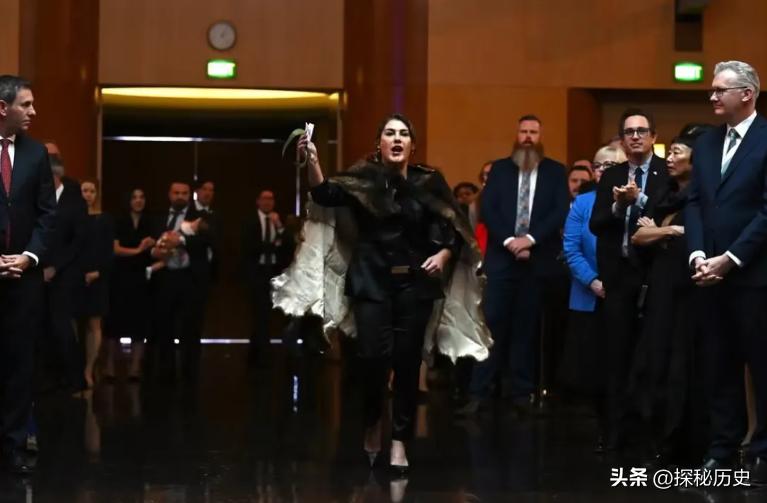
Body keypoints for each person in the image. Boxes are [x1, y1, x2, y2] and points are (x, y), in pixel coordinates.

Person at [276, 113, 490, 474]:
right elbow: (324, 193)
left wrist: (443, 254)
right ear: (380, 143)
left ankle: (400, 441)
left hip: (415, 285)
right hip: (370, 283)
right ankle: (373, 422)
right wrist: (312, 160)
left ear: (412, 145)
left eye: (403, 134)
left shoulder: (428, 180)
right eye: (390, 133)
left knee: (407, 364)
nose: (397, 138)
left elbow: (453, 227)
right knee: (373, 360)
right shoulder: (363, 179)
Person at [686, 60, 767, 483]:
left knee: (762, 366)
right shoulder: (706, 143)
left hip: (755, 276)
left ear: (747, 94)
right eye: (712, 90)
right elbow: (695, 202)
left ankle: (763, 454)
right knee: (719, 366)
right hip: (709, 274)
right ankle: (722, 449)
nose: (713, 96)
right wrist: (699, 254)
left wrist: (731, 258)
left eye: (720, 90)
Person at [458, 126, 569, 416]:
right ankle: (479, 392)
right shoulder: (500, 170)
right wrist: (510, 241)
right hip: (501, 260)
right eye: (523, 132)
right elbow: (489, 209)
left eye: (534, 132)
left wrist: (530, 239)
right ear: (516, 136)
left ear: (540, 136)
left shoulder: (555, 171)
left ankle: (522, 393)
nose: (528, 137)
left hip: (537, 260)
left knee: (526, 328)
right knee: (491, 326)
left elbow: (559, 211)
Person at [589, 108, 668, 451]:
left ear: (653, 137)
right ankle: (614, 431)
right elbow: (596, 223)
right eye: (629, 132)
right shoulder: (612, 175)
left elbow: (667, 213)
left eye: (642, 131)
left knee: (652, 356)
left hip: (654, 276)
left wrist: (640, 200)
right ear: (621, 140)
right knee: (615, 356)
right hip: (619, 276)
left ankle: (651, 434)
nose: (635, 136)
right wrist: (619, 206)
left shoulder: (667, 172)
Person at [629, 131, 710, 466]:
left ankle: (682, 441)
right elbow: (638, 236)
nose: (670, 159)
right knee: (653, 363)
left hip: (689, 293)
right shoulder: (665, 195)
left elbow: (696, 238)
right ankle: (656, 438)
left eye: (677, 152)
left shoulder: (703, 198)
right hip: (660, 291)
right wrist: (671, 231)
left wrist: (659, 233)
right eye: (671, 152)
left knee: (682, 366)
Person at [0, 75, 56, 474]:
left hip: (24, 279)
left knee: (20, 364)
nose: (33, 111)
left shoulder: (37, 154)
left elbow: (47, 214)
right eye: (26, 104)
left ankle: (15, 444)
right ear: (3, 108)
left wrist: (29, 257)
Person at [560, 145, 625, 452]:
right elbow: (571, 249)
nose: (605, 170)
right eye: (600, 165)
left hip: (626, 293)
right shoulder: (582, 203)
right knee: (595, 369)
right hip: (591, 295)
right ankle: (604, 428)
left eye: (612, 165)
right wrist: (593, 281)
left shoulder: (635, 201)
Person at [104, 188, 155, 380]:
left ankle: (135, 368)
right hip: (119, 276)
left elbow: (156, 248)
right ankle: (109, 367)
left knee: (139, 323)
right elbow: (116, 249)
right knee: (114, 324)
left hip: (142, 277)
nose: (138, 201)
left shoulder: (150, 222)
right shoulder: (118, 220)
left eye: (142, 197)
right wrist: (139, 249)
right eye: (134, 197)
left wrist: (151, 248)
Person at [242, 189, 295, 364]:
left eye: (270, 199)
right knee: (259, 312)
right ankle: (261, 354)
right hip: (257, 271)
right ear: (258, 201)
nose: (267, 202)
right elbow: (249, 246)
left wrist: (278, 225)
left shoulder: (277, 221)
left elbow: (288, 244)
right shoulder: (250, 221)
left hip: (274, 272)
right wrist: (273, 245)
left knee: (269, 314)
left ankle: (259, 352)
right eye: (264, 198)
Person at [78, 180, 115, 389]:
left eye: (92, 191)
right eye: (84, 190)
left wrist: (98, 272)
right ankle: (74, 368)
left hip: (98, 275)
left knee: (94, 324)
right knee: (72, 323)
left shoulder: (105, 219)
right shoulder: (74, 217)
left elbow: (109, 250)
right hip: (75, 276)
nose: (88, 194)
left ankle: (88, 369)